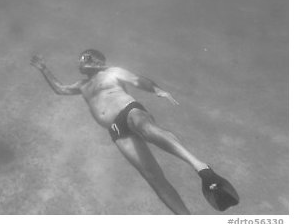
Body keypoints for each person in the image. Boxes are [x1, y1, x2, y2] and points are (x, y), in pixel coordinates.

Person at [30, 49, 239, 214]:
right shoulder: (82, 85)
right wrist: (43, 68)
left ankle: (201, 168)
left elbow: (137, 80)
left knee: (147, 130)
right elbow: (60, 89)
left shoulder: (111, 72)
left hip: (128, 111)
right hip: (116, 130)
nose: (79, 62)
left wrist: (157, 90)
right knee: (151, 176)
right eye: (79, 59)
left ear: (95, 60)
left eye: (83, 57)